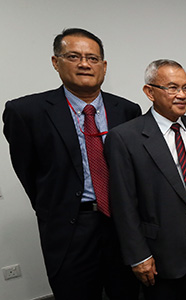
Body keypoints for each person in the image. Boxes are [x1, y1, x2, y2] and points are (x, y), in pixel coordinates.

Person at [2, 28, 140, 300]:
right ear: (56, 62)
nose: (85, 64)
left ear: (104, 65)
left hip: (121, 224)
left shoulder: (127, 110)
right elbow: (28, 173)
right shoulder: (26, 112)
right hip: (70, 228)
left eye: (93, 58)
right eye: (74, 56)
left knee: (127, 292)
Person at [104, 59, 186, 299]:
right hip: (161, 251)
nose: (183, 95)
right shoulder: (125, 138)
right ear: (149, 92)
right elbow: (123, 204)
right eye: (173, 87)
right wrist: (139, 256)